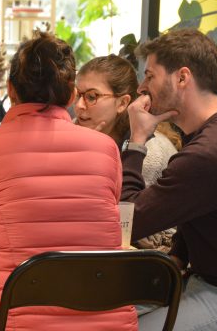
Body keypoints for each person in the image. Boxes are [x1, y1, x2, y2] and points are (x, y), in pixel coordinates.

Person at [0, 33, 137, 330]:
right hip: (108, 326)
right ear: (72, 95)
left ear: (10, 90)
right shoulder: (106, 148)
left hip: (20, 325)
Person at [121, 28, 217, 330]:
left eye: (150, 76)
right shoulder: (215, 128)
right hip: (201, 277)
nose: (142, 87)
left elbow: (126, 221)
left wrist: (137, 139)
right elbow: (202, 209)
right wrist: (180, 255)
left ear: (182, 78)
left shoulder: (206, 154)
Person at [75, 54, 180, 251]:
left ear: (122, 103)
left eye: (91, 97)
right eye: (77, 95)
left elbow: (126, 224)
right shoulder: (71, 138)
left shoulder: (152, 154)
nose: (79, 106)